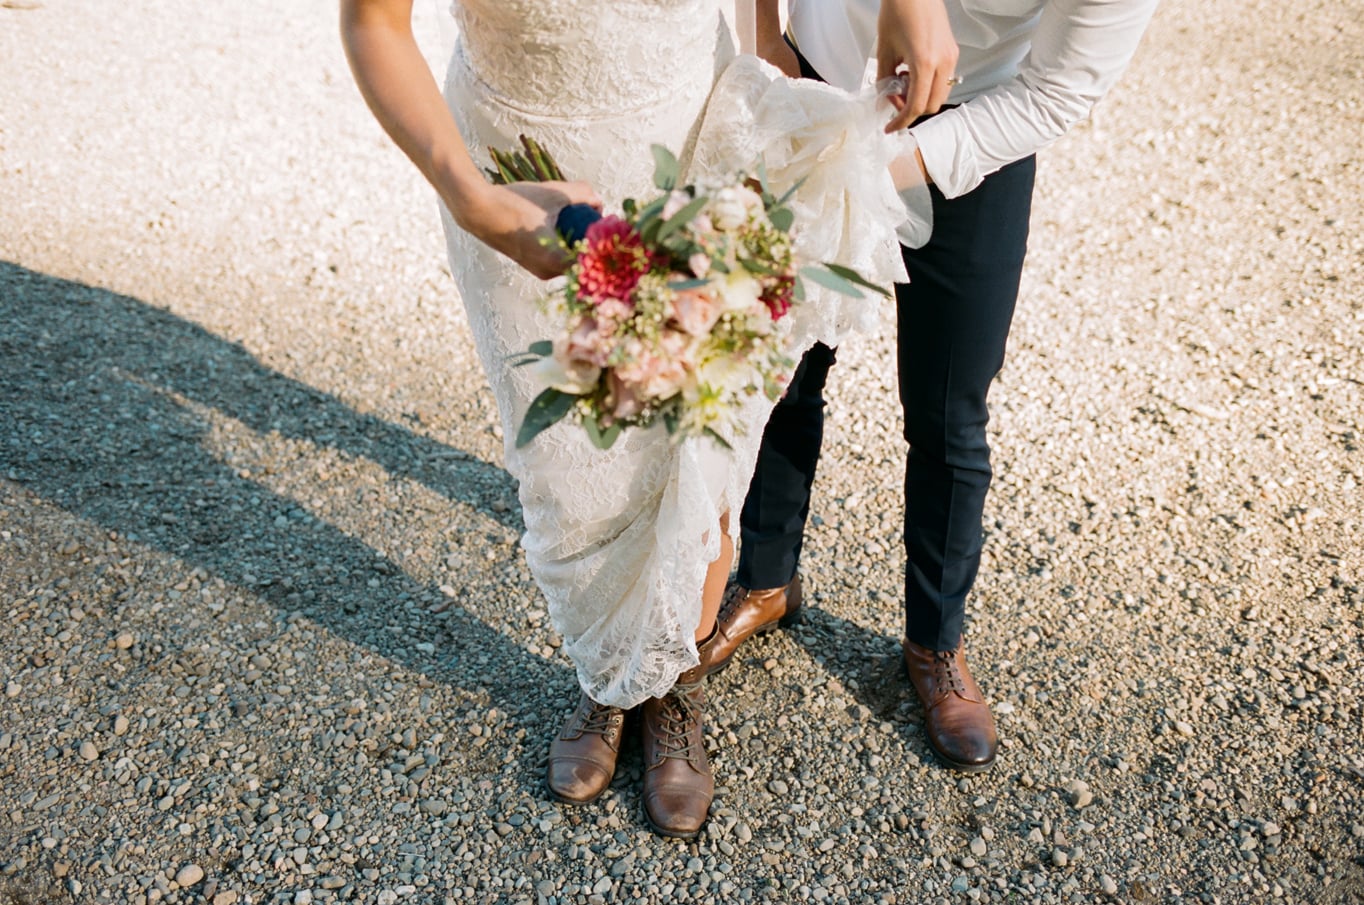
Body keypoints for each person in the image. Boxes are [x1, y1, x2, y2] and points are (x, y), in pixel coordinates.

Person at [340, 0, 908, 837]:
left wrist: (765, 48)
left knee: (703, 444)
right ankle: (610, 673)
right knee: (571, 462)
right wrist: (470, 198)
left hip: (692, 133)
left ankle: (674, 680)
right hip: (520, 182)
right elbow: (373, 22)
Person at [714, 0, 1159, 773]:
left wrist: (869, 167)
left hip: (983, 118)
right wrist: (763, 35)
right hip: (816, 71)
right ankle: (763, 575)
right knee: (782, 362)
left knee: (949, 409)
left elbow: (1057, 93)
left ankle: (935, 641)